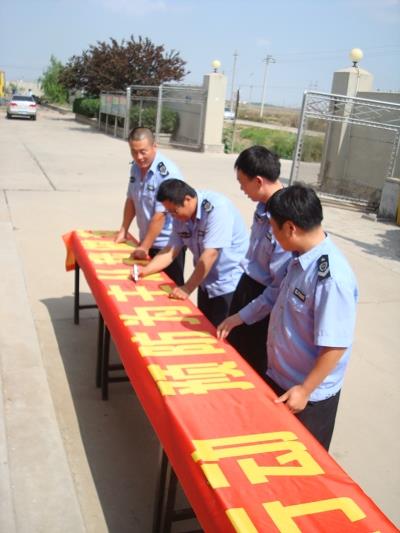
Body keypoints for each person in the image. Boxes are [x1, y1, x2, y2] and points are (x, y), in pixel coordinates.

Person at [265, 184, 358, 450]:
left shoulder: (332, 278)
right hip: (281, 380)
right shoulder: (299, 258)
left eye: (273, 228)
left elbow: (335, 345)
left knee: (301, 463)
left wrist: (305, 390)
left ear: (290, 228)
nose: (273, 235)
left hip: (307, 397)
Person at [216, 146, 292, 377]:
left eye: (242, 183)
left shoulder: (285, 217)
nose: (241, 189)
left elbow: (277, 287)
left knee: (251, 365)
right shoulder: (262, 207)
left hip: (263, 300)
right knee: (233, 353)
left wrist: (244, 316)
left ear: (258, 181)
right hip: (247, 285)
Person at [138, 179, 249, 327]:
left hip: (228, 284)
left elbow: (210, 254)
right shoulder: (180, 216)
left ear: (187, 199)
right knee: (204, 330)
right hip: (204, 282)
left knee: (221, 335)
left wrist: (187, 288)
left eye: (174, 211)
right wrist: (145, 271)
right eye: (169, 212)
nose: (172, 216)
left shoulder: (217, 209)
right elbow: (170, 251)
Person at [115, 127, 185, 285]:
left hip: (167, 246)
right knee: (144, 286)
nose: (139, 157)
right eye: (134, 152)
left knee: (168, 289)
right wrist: (124, 230)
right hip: (147, 241)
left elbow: (160, 215)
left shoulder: (167, 173)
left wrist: (144, 247)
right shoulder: (136, 167)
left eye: (143, 152)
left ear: (154, 146)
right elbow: (131, 199)